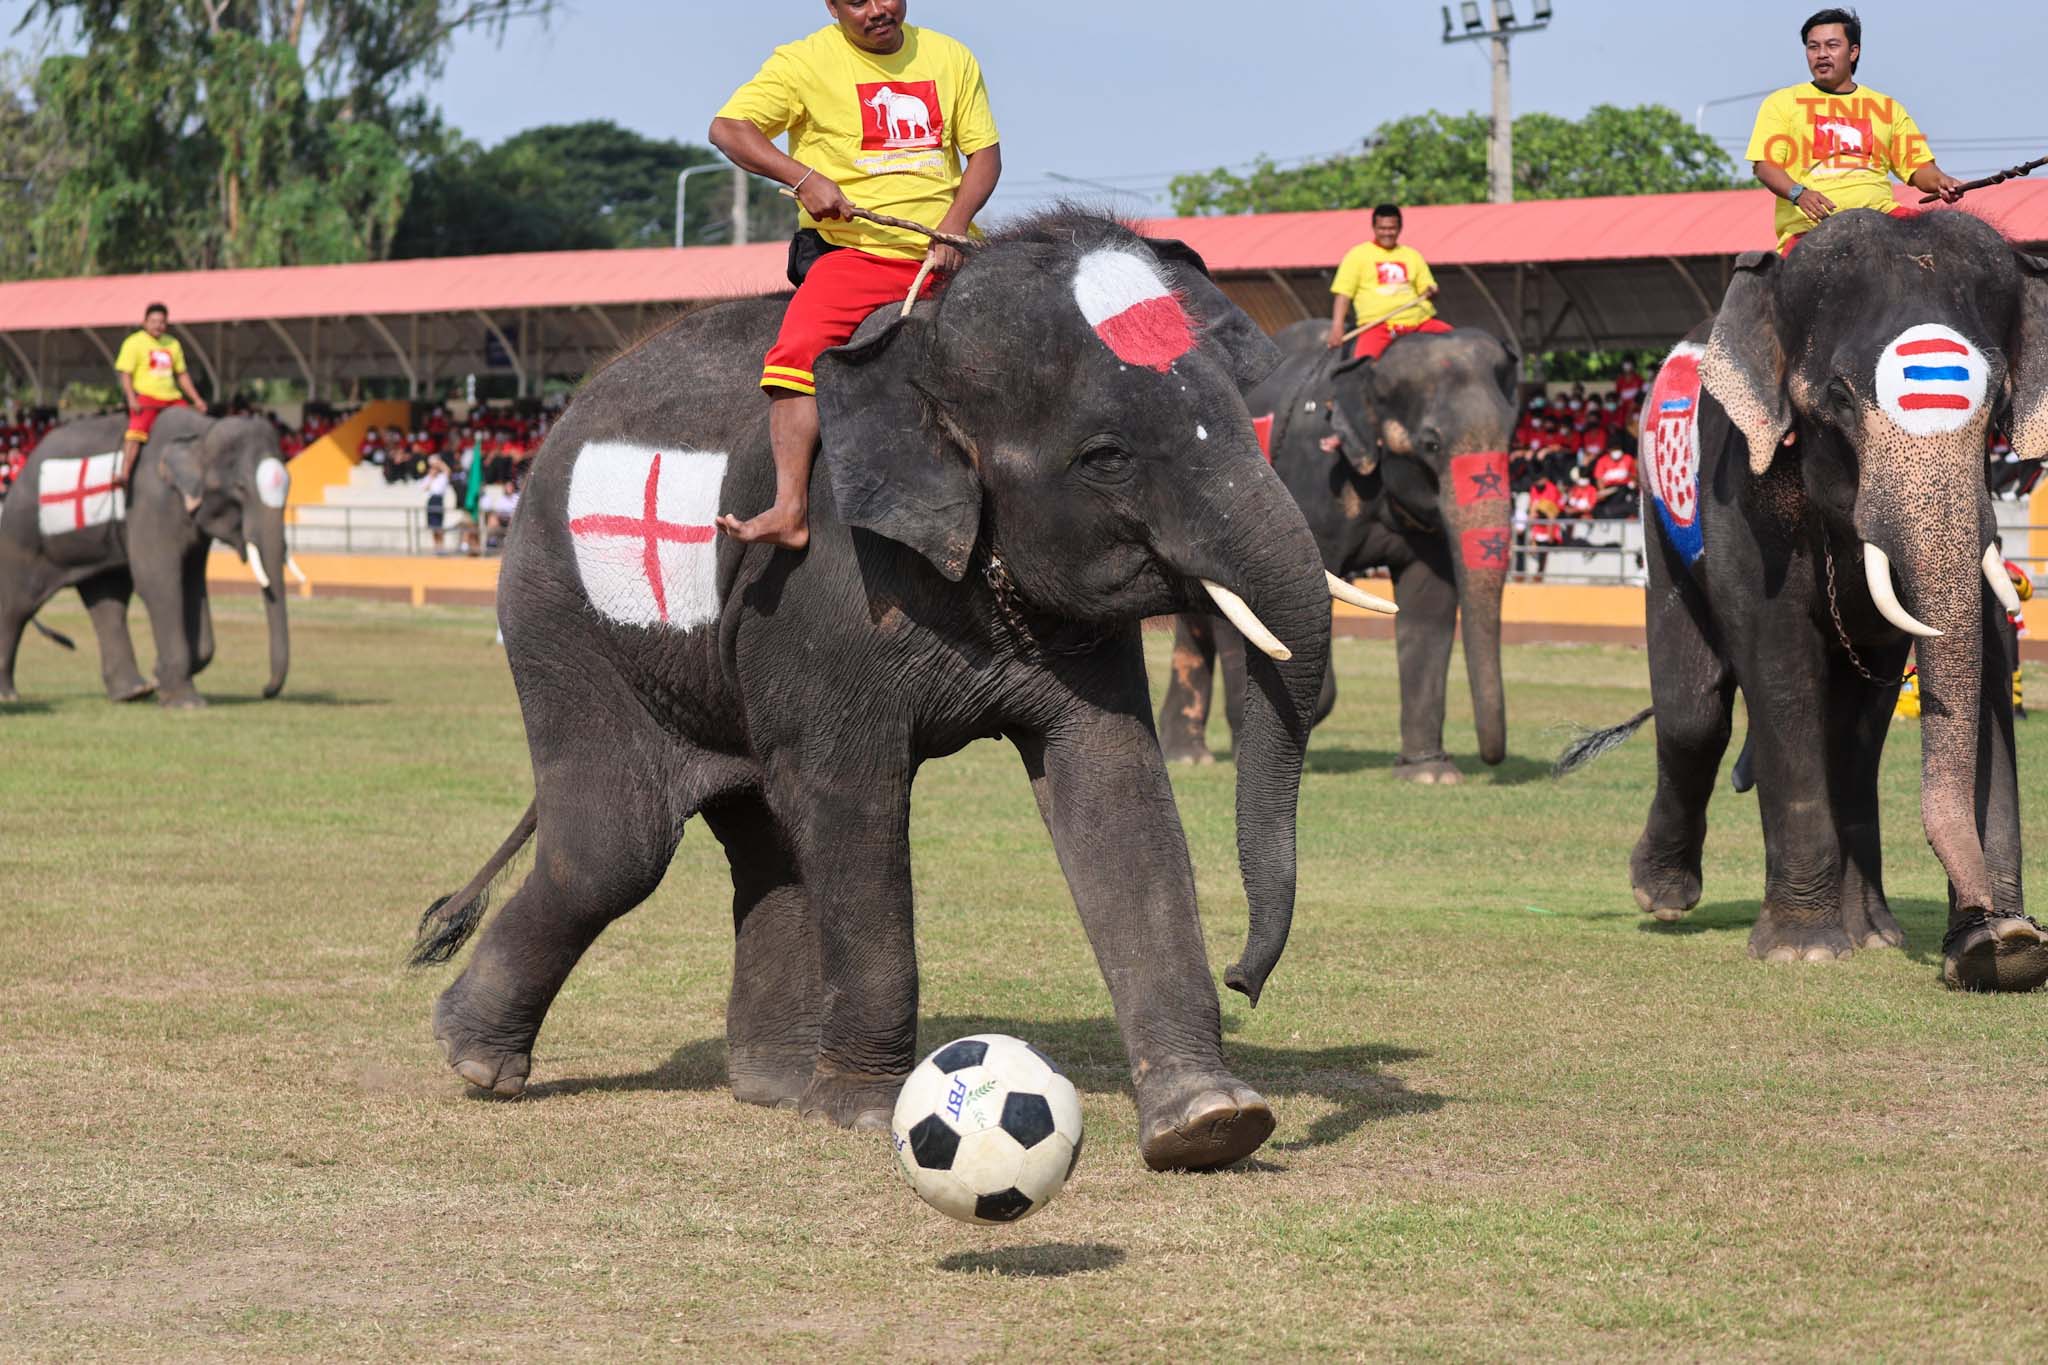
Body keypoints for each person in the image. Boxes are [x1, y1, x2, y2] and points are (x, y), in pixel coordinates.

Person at [708, 0, 1001, 549]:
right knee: (796, 352)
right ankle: (789, 509)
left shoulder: (950, 55)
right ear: (831, 6)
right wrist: (803, 179)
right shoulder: (802, 62)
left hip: (950, 254)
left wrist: (953, 229)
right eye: (856, 1)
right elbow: (728, 128)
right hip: (857, 254)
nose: (876, 10)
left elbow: (984, 156)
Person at [1746, 8, 1964, 256]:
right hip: (1811, 228)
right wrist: (1799, 194)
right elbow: (1764, 166)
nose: (1821, 55)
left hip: (1883, 218)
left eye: (1832, 45)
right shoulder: (1782, 103)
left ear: (1853, 52)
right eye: (1813, 47)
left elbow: (1919, 168)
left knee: (1950, 244)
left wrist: (1941, 181)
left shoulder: (1887, 108)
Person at [114, 302, 209, 509]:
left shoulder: (172, 344)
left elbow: (181, 375)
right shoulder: (134, 342)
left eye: (162, 322)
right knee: (135, 432)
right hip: (147, 397)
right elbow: (126, 374)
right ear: (144, 322)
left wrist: (196, 399)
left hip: (171, 397)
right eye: (154, 321)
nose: (158, 325)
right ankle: (125, 473)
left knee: (195, 427)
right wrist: (131, 398)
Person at [1327, 204, 1453, 360]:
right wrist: (1337, 327)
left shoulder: (1412, 255)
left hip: (1420, 322)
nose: (1387, 233)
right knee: (1362, 367)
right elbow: (1343, 294)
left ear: (1400, 228)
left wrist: (1432, 292)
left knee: (1456, 345)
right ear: (1374, 228)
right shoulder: (1357, 255)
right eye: (1382, 228)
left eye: (1392, 228)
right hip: (1379, 326)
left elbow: (1427, 288)